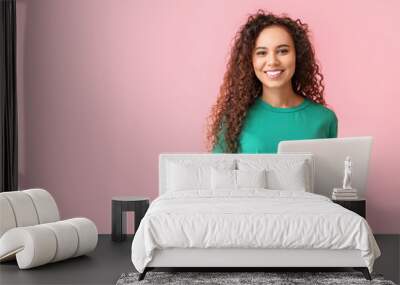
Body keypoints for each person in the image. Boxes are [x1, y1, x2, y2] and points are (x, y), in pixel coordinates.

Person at [206, 10, 338, 153]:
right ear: (250, 61)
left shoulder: (324, 118)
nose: (272, 61)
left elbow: (329, 174)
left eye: (282, 51)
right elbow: (219, 173)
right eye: (262, 53)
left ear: (297, 56)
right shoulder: (232, 120)